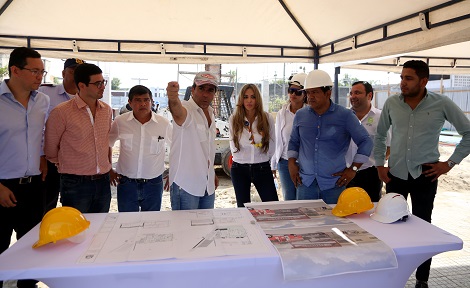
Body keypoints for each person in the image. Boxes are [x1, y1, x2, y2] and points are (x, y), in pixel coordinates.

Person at [374, 60, 470, 288]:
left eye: (408, 78)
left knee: (424, 227)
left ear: (424, 81)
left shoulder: (442, 103)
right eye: (401, 77)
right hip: (395, 174)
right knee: (390, 224)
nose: (402, 83)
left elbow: (468, 133)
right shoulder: (391, 103)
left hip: (426, 175)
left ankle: (422, 279)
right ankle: (391, 276)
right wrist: (380, 164)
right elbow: (379, 136)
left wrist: (449, 164)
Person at [0, 47, 50, 288]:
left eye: (42, 71)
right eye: (34, 71)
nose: (40, 76)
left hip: (32, 187)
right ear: (15, 70)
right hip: (2, 188)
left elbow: (39, 136)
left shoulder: (43, 101)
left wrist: (41, 156)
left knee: (32, 249)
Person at [287, 70, 373, 204]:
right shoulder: (301, 115)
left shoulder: (345, 115)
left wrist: (353, 169)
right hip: (305, 184)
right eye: (308, 92)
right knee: (307, 223)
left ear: (328, 93)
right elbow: (294, 141)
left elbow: (366, 141)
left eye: (315, 92)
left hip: (334, 185)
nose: (310, 97)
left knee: (336, 223)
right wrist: (291, 163)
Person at [44, 63, 113, 213]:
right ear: (82, 85)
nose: (103, 87)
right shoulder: (62, 112)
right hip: (75, 183)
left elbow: (106, 143)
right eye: (98, 83)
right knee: (76, 232)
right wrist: (68, 163)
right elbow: (50, 149)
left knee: (100, 229)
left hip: (103, 181)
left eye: (103, 82)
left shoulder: (106, 110)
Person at [109, 85, 172, 212]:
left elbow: (177, 148)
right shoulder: (120, 122)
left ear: (152, 101)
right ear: (130, 103)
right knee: (126, 223)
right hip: (126, 183)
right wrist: (109, 169)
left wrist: (174, 172)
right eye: (138, 100)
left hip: (154, 184)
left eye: (146, 100)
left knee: (150, 225)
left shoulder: (163, 124)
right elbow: (107, 145)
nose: (143, 104)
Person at [166, 72, 219, 210]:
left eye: (210, 90)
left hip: (207, 185)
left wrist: (211, 172)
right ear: (193, 89)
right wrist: (173, 98)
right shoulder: (187, 109)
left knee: (206, 229)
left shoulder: (211, 113)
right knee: (184, 230)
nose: (205, 94)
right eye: (201, 88)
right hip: (186, 185)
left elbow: (205, 149)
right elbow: (177, 111)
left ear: (214, 93)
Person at [39, 58, 85, 213]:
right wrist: (41, 156)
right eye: (73, 72)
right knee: (46, 204)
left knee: (74, 206)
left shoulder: (87, 98)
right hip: (50, 160)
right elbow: (37, 128)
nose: (76, 76)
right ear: (63, 73)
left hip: (75, 162)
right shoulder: (45, 93)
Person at [229, 84, 279, 207]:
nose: (249, 100)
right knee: (243, 208)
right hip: (239, 168)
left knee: (273, 205)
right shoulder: (234, 119)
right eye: (246, 97)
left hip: (262, 167)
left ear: (257, 99)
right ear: (241, 99)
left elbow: (272, 144)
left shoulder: (266, 118)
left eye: (253, 97)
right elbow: (233, 146)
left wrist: (263, 158)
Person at [345, 81, 390, 202]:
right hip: (346, 172)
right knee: (347, 210)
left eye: (357, 93)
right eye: (351, 93)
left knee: (370, 211)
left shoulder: (381, 117)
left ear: (369, 96)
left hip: (370, 174)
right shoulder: (344, 116)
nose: (353, 96)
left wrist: (377, 164)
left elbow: (389, 146)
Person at [271, 73, 307, 200]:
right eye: (290, 91)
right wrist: (274, 164)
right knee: (289, 200)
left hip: (305, 164)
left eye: (297, 92)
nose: (293, 95)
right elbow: (278, 139)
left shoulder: (310, 114)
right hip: (285, 163)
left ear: (304, 95)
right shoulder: (282, 113)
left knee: (304, 200)